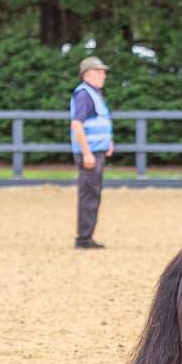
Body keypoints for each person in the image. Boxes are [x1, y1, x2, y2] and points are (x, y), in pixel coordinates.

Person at [69, 56, 113, 249]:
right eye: (99, 71)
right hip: (91, 153)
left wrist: (108, 141)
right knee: (89, 194)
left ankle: (87, 236)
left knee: (93, 193)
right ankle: (84, 238)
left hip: (97, 151)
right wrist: (87, 153)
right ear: (87, 74)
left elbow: (99, 122)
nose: (103, 75)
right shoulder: (84, 95)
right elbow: (77, 124)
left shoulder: (93, 94)